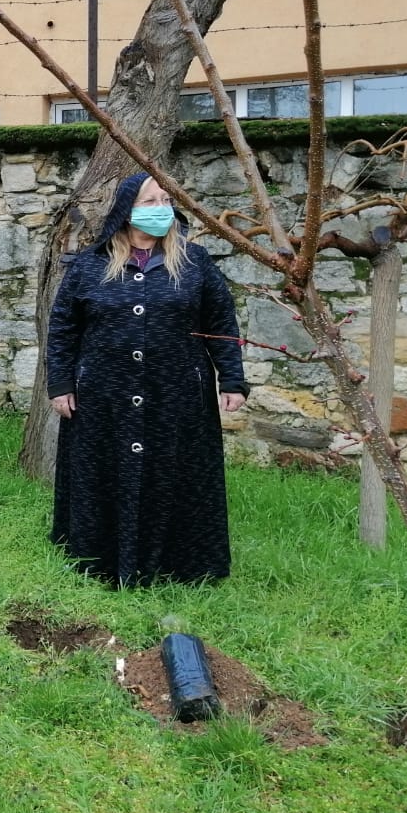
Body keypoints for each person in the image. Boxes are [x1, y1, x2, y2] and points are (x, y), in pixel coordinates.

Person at [46, 171, 249, 585]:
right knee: (104, 472)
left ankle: (180, 567)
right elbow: (63, 327)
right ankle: (97, 561)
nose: (161, 209)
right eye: (149, 201)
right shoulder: (89, 265)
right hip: (104, 395)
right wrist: (61, 383)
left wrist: (232, 378)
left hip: (176, 394)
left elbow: (221, 321)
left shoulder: (195, 263)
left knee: (174, 473)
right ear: (125, 211)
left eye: (164, 201)